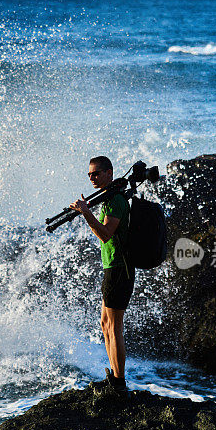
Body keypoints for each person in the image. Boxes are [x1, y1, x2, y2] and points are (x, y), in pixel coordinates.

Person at [69, 156, 134, 394]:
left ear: (109, 173)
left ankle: (119, 382)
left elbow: (105, 234)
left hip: (120, 268)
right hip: (112, 268)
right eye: (89, 175)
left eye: (96, 173)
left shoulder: (115, 200)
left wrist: (86, 212)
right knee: (105, 323)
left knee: (115, 326)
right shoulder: (109, 198)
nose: (92, 178)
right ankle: (113, 378)